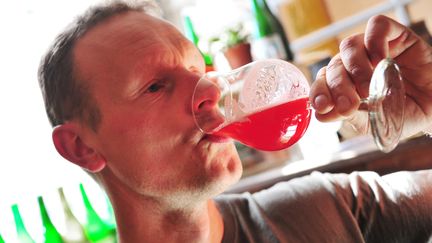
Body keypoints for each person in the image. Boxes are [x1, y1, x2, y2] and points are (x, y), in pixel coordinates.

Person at [37, 0, 432, 242]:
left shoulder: (326, 209)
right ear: (82, 148)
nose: (208, 90)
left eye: (198, 68)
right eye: (156, 86)